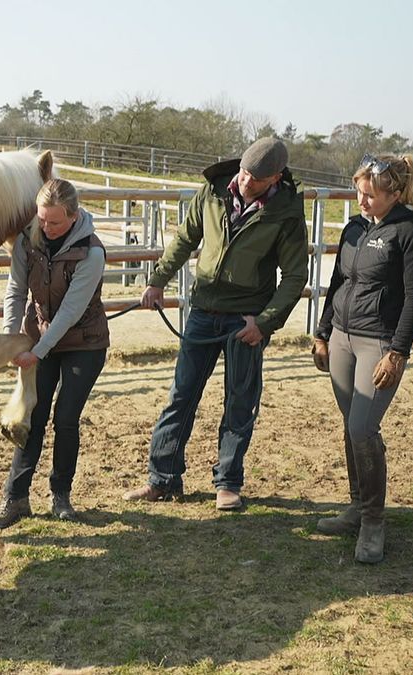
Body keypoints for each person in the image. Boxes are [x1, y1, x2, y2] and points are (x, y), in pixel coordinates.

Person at [123, 137, 308, 511]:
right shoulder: (211, 191)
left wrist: (265, 323)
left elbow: (293, 275)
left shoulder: (286, 212)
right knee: (181, 395)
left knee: (240, 401)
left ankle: (228, 482)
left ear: (274, 178)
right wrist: (158, 280)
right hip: (204, 310)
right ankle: (162, 479)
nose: (244, 181)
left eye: (255, 178)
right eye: (243, 172)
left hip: (245, 318)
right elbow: (186, 238)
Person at [311, 153, 413, 564]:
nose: (360, 201)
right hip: (343, 341)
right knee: (352, 426)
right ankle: (356, 505)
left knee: (364, 427)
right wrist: (323, 332)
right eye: (359, 193)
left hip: (379, 344)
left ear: (396, 193)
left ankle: (373, 522)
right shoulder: (356, 227)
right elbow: (337, 282)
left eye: (369, 195)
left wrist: (397, 353)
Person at [0, 177, 109, 528]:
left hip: (84, 343)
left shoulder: (92, 252)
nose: (47, 227)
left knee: (65, 417)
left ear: (73, 216)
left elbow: (70, 312)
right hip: (40, 339)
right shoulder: (29, 239)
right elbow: (15, 290)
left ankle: (61, 495)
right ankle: (15, 498)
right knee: (32, 418)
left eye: (54, 222)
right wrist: (11, 337)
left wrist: (37, 351)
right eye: (42, 219)